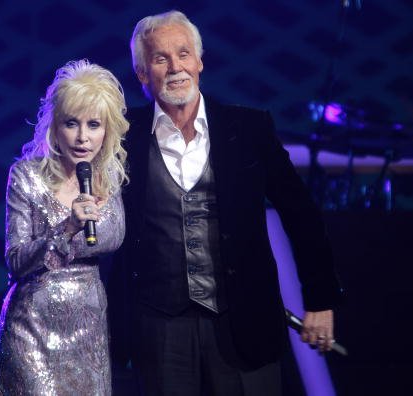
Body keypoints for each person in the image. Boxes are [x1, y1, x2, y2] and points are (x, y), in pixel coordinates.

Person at [112, 10, 343, 395]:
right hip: (159, 327)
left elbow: (300, 213)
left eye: (184, 54)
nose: (175, 68)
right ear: (141, 73)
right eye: (160, 58)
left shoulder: (249, 129)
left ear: (200, 62)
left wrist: (319, 298)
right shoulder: (121, 137)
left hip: (244, 321)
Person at [0, 59, 129, 395]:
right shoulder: (27, 177)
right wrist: (67, 227)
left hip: (89, 328)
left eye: (93, 125)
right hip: (33, 329)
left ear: (107, 130)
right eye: (71, 123)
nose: (82, 137)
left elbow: (115, 237)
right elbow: (16, 260)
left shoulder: (108, 178)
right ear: (54, 126)